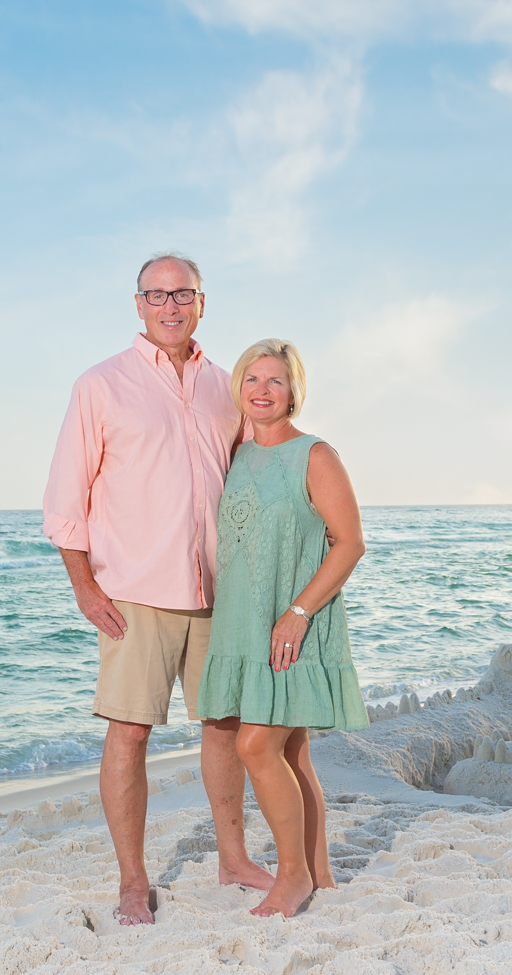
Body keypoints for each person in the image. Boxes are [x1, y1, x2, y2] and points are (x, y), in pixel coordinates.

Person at [42, 253, 274, 926]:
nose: (171, 305)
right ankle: (133, 880)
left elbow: (251, 486)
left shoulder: (225, 387)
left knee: (225, 727)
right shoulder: (100, 385)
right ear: (138, 304)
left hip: (216, 591)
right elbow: (66, 496)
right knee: (129, 734)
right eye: (158, 294)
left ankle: (232, 858)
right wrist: (84, 586)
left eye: (183, 294)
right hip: (134, 591)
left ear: (203, 303)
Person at [196, 338, 370, 918]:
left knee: (255, 745)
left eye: (275, 380)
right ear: (238, 388)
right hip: (243, 626)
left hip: (295, 625)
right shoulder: (237, 453)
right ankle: (321, 874)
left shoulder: (316, 454)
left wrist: (297, 612)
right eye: (252, 379)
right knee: (292, 753)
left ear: (293, 390)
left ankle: (292, 876)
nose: (262, 390)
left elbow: (349, 545)